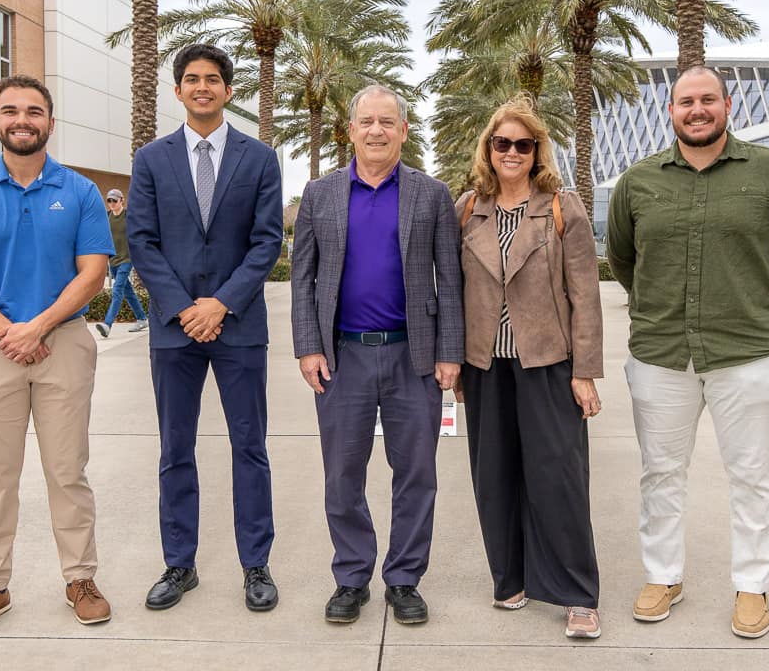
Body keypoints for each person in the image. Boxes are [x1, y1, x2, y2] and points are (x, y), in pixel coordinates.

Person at [606, 65, 769, 639]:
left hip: (747, 352)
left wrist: (754, 305)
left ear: (728, 105)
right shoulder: (637, 181)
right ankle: (663, 575)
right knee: (660, 473)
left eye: (707, 100)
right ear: (670, 111)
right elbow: (625, 261)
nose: (696, 110)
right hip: (660, 353)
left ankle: (752, 585)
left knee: (752, 475)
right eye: (685, 102)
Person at [0, 74, 115, 637]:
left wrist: (38, 326)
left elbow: (93, 272)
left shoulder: (81, 191)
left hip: (64, 343)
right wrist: (8, 331)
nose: (22, 120)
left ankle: (80, 579)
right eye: (10, 110)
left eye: (33, 111)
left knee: (67, 471)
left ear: (50, 124)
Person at [291, 84, 464, 626]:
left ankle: (404, 578)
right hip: (342, 359)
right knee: (343, 474)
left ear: (404, 131)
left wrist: (449, 352)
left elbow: (450, 279)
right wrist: (308, 346)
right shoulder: (319, 194)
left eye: (387, 122)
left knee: (416, 474)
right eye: (366, 121)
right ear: (351, 130)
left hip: (414, 358)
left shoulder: (431, 194)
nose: (376, 130)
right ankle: (351, 577)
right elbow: (303, 278)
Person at [127, 44, 284, 613]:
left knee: (250, 447)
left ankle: (255, 564)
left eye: (212, 79)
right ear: (177, 91)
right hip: (175, 330)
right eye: (191, 79)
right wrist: (183, 308)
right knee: (175, 449)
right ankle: (179, 564)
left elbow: (267, 241)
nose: (202, 87)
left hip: (238, 327)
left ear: (228, 90)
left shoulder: (259, 158)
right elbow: (142, 240)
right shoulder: (151, 159)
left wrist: (220, 304)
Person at [455, 98, 604, 639]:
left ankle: (578, 594)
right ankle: (509, 579)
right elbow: (453, 288)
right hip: (485, 366)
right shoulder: (467, 209)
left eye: (523, 144)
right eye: (503, 143)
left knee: (558, 478)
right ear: (489, 149)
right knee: (493, 476)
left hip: (547, 363)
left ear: (537, 150)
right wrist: (454, 362)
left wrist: (584, 372)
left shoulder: (562, 207)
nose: (512, 152)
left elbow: (585, 296)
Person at [95, 188, 148, 337]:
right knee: (127, 291)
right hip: (113, 260)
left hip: (127, 259)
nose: (112, 203)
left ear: (121, 200)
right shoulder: (107, 217)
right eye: (109, 201)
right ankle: (142, 318)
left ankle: (107, 324)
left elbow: (140, 233)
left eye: (114, 200)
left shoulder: (129, 216)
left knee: (117, 289)